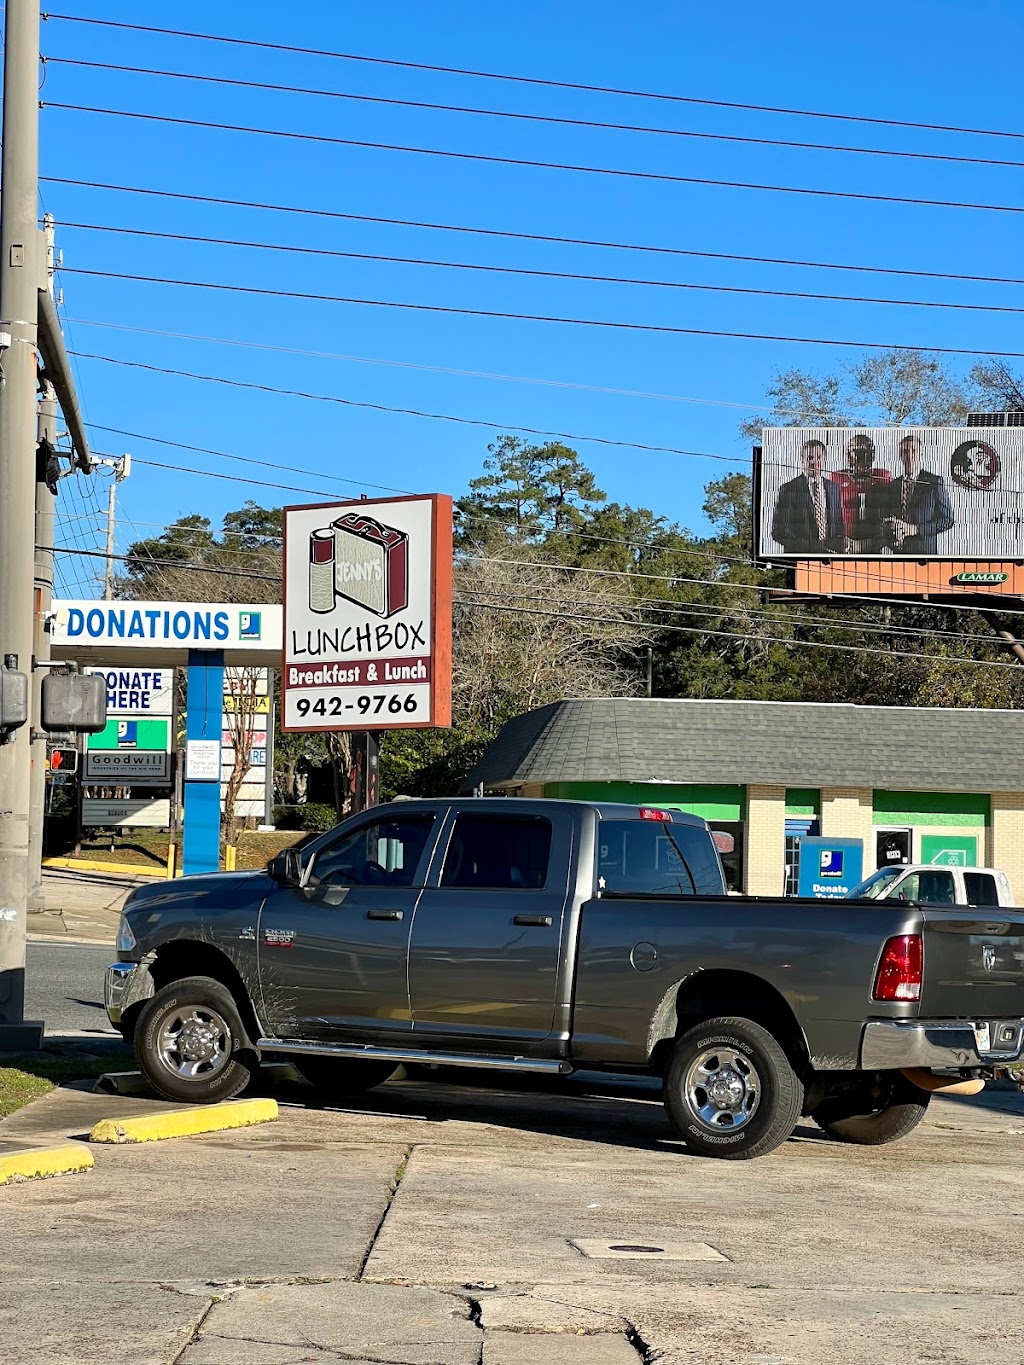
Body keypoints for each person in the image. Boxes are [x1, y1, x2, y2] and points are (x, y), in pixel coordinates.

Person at [872, 434, 954, 554]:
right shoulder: (893, 486)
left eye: (914, 450)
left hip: (925, 558)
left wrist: (915, 529)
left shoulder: (934, 482)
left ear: (921, 454)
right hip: (899, 556)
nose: (910, 456)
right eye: (905, 451)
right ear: (900, 455)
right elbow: (886, 520)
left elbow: (947, 520)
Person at [770, 439, 844, 554]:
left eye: (819, 457)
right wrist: (812, 548)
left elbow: (838, 524)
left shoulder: (834, 488)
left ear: (824, 460)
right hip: (801, 559)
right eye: (810, 458)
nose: (814, 462)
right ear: (802, 460)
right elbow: (779, 531)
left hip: (832, 559)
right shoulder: (789, 489)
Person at [830, 434, 891, 552]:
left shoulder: (882, 476)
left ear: (872, 456)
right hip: (847, 543)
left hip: (875, 542)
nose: (860, 460)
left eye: (865, 455)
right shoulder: (837, 477)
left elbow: (891, 509)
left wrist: (885, 537)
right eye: (856, 454)